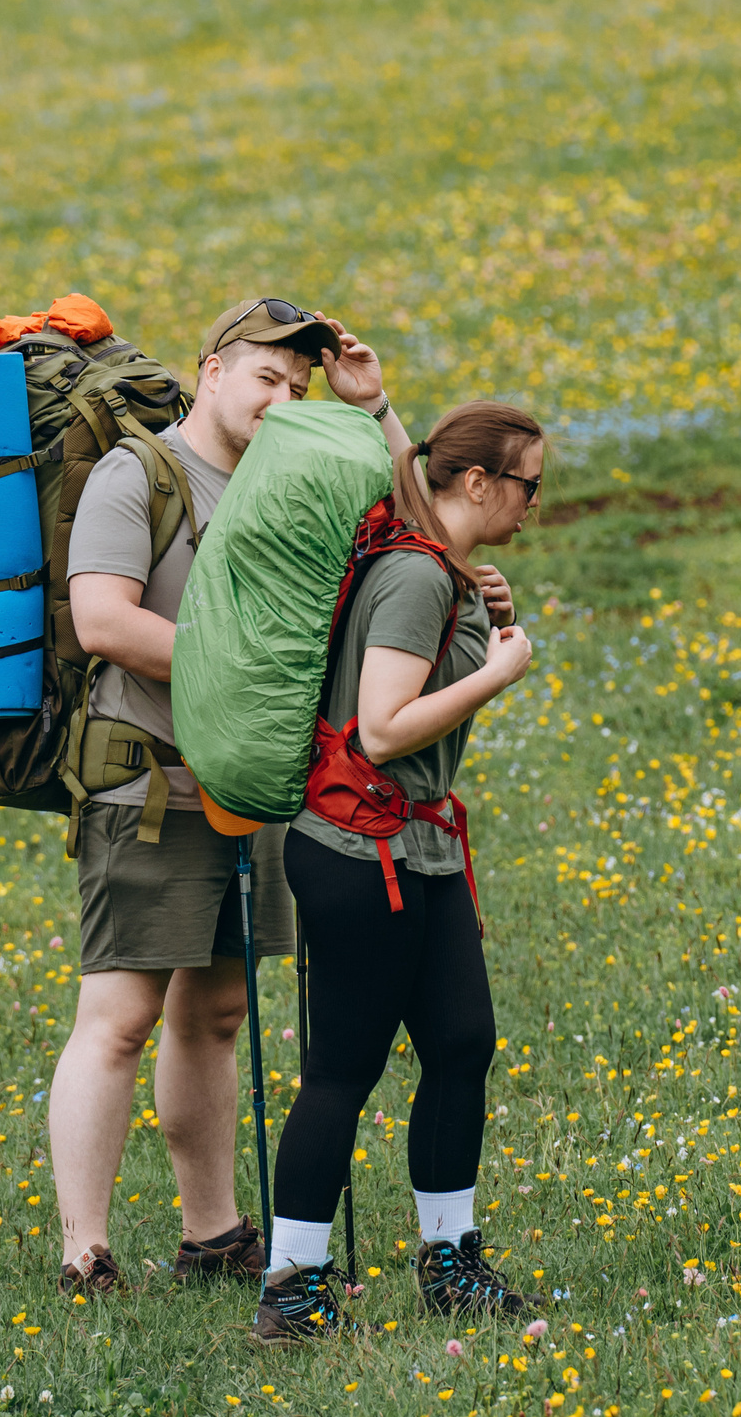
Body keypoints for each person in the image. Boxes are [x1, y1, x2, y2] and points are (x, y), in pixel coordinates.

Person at [50, 296, 412, 1294]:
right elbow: (102, 623)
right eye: (265, 378)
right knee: (119, 1014)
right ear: (209, 368)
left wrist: (372, 405)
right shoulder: (140, 475)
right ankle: (84, 1250)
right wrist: (248, 676)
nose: (281, 399)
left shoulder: (286, 473)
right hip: (149, 784)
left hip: (246, 782)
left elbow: (415, 516)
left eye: (297, 388)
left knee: (213, 1013)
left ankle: (212, 1234)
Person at [250, 401, 544, 1344]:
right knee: (343, 1067)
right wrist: (497, 673)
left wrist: (381, 407)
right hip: (355, 850)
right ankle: (293, 1286)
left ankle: (449, 1259)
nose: (536, 503)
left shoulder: (440, 563)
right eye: (528, 484)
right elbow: (381, 728)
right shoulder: (417, 576)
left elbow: (415, 466)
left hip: (420, 845)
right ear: (478, 483)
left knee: (462, 1041)